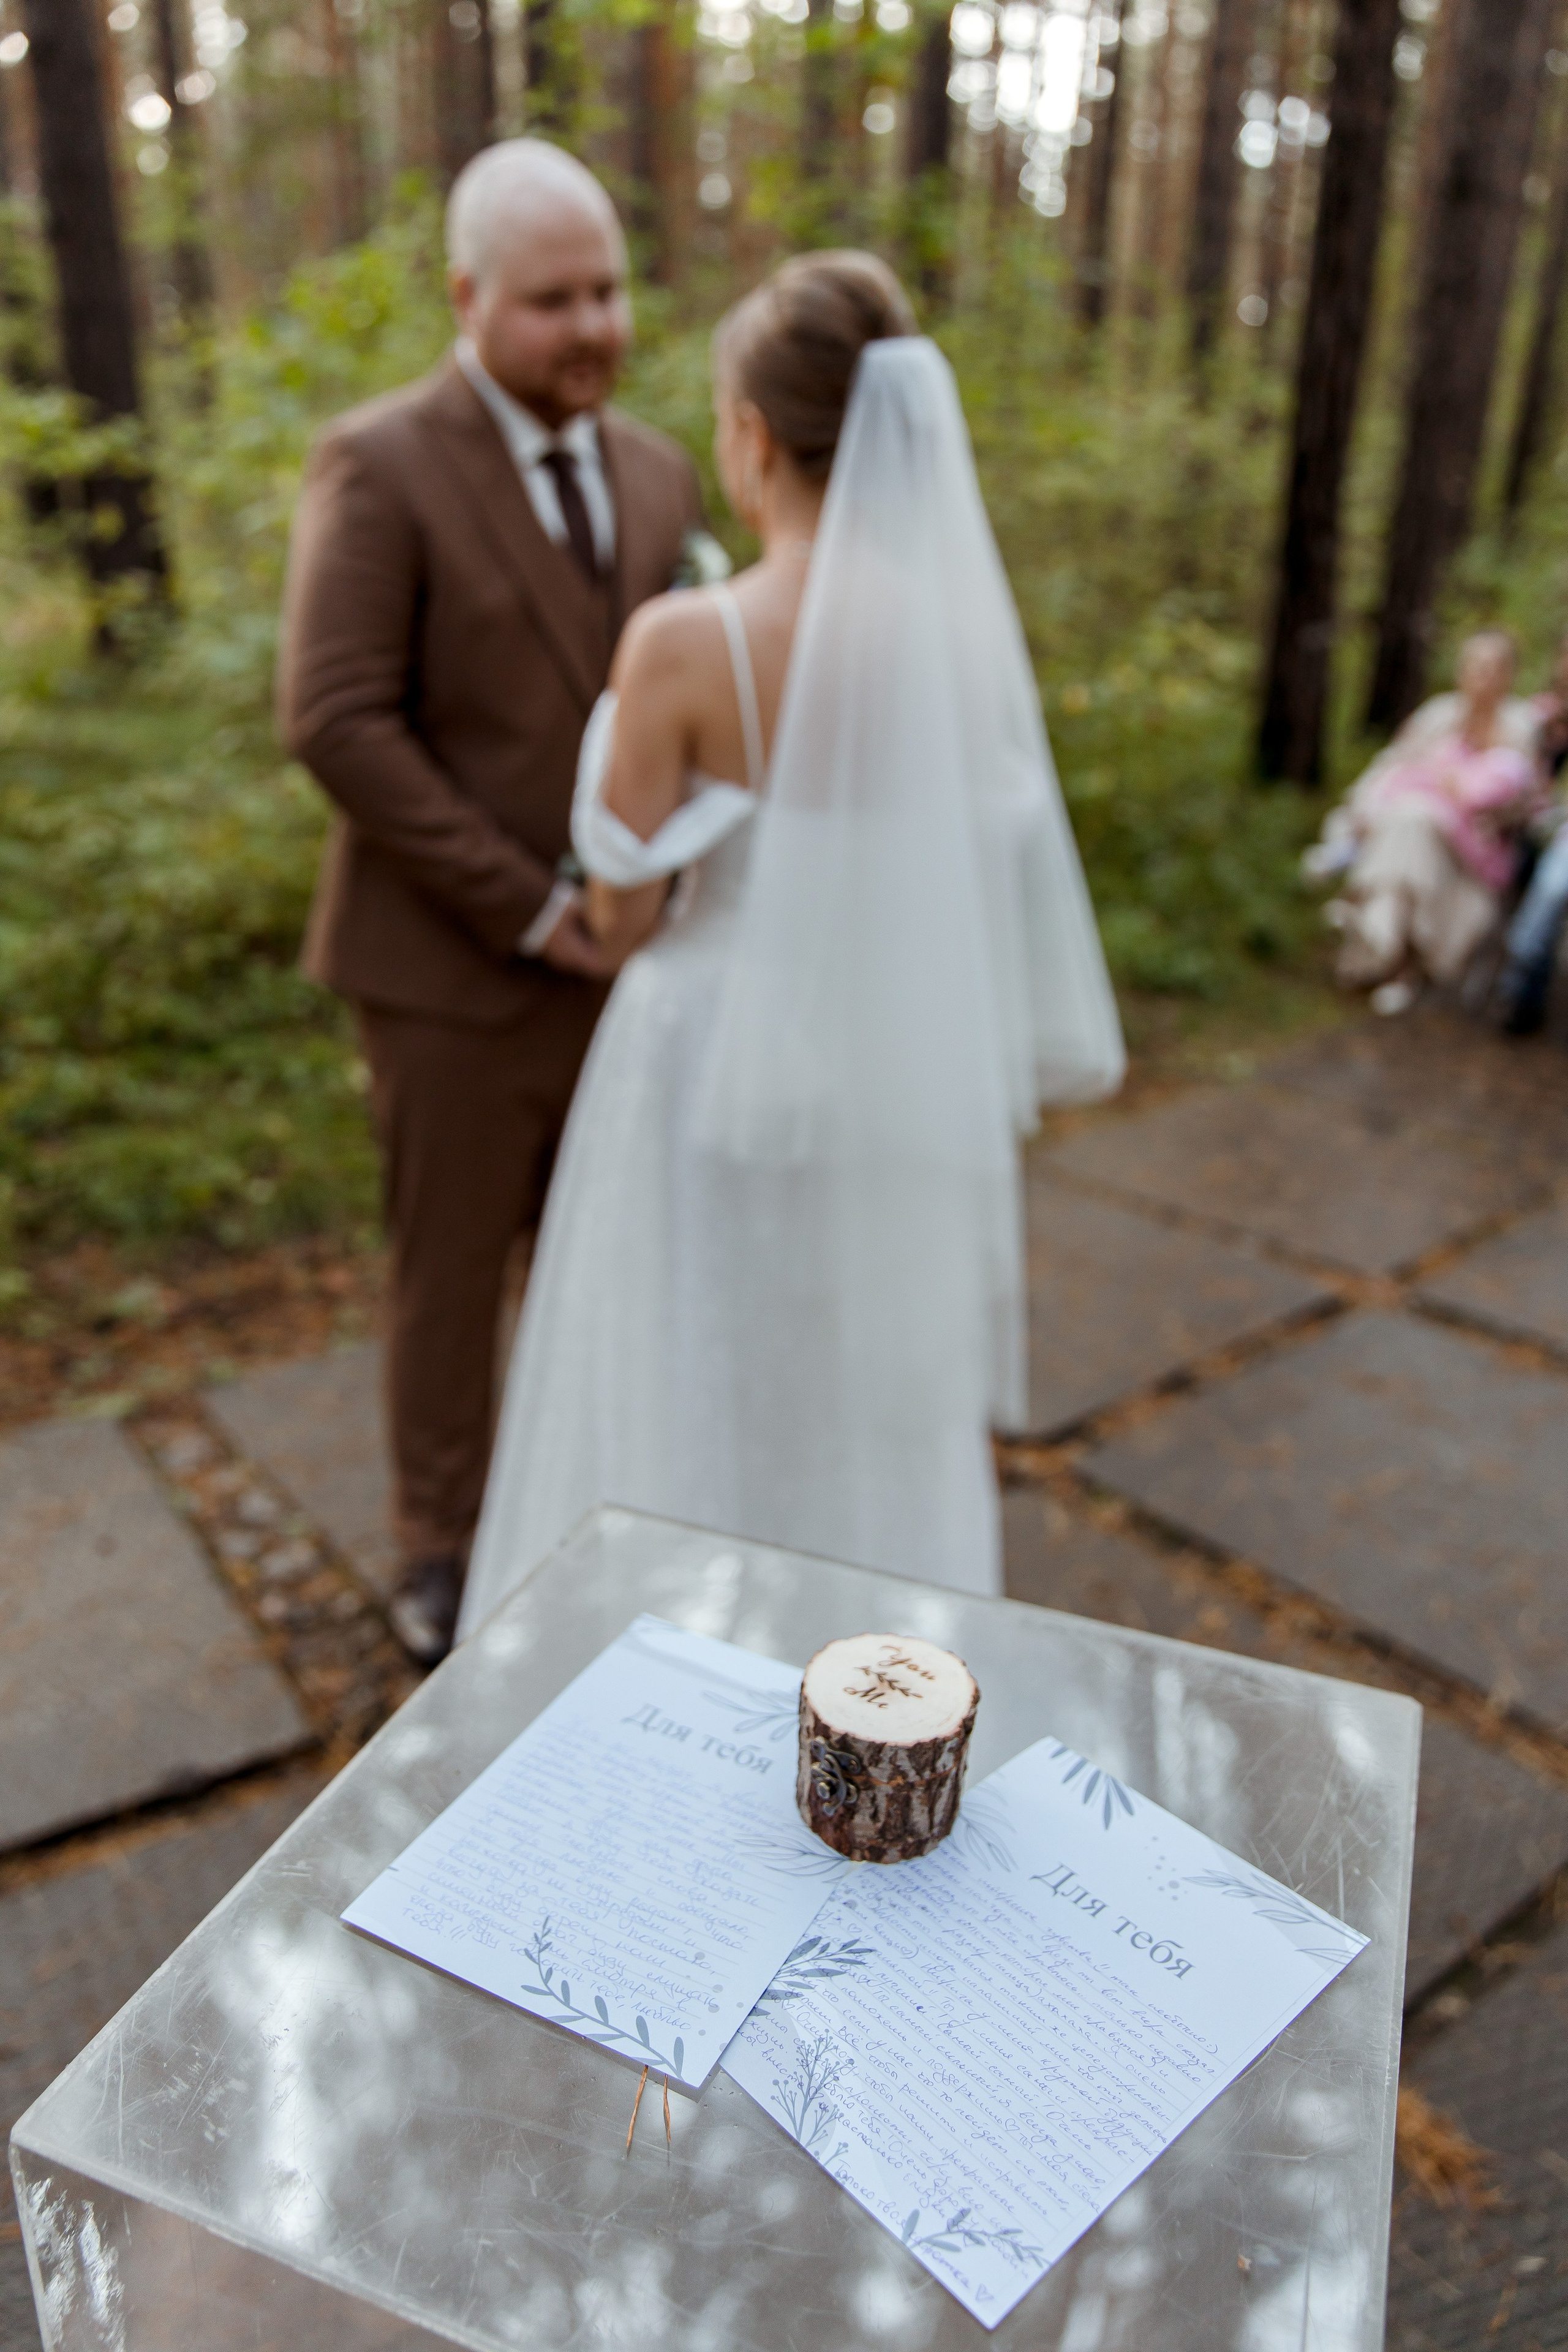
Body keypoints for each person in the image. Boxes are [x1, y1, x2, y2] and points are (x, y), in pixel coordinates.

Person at [456, 252, 1125, 1640]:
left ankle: (675, 1669)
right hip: (885, 1052)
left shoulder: (686, 642)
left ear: (752, 434)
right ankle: (874, 1681)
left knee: (688, 1365)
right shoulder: (960, 636)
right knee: (861, 1386)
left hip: (701, 1057)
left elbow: (622, 907)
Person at [277, 140, 704, 1665]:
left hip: (627, 976)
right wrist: (532, 908)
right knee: (449, 1278)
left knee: (608, 1254)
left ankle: (590, 1503)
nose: (592, 325)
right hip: (450, 976)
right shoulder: (377, 461)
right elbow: (332, 718)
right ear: (466, 298)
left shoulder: (659, 470)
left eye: (607, 290)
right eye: (551, 301)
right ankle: (441, 1549)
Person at [1305, 631, 1544, 1016]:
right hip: (1412, 835)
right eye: (1474, 666)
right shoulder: (1438, 715)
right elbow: (1392, 766)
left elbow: (1524, 800)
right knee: (1410, 822)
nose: (1481, 677)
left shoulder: (1520, 728)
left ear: (1508, 676)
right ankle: (1392, 957)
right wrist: (1361, 810)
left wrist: (1474, 801)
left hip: (1472, 855)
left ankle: (1382, 939)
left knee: (1414, 822)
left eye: (1491, 668)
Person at [1494, 628, 1568, 1036]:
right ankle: (1521, 986)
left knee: (1553, 888)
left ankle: (1523, 987)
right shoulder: (1537, 716)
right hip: (1527, 829)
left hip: (1557, 836)